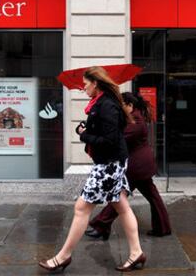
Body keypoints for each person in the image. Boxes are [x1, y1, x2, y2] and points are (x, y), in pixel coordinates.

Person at [39, 67, 146, 272]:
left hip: (109, 164)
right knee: (121, 206)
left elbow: (109, 140)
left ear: (95, 83)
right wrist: (86, 129)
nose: (84, 88)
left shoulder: (106, 105)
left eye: (86, 84)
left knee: (81, 208)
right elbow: (107, 132)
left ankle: (63, 257)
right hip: (112, 161)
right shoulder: (102, 103)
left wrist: (85, 135)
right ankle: (136, 253)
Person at [85, 92, 171, 240]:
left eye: (121, 106)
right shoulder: (131, 118)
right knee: (151, 196)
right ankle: (162, 228)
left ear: (130, 106)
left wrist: (95, 133)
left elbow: (116, 138)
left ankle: (101, 225)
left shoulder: (136, 122)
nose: (118, 109)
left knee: (119, 196)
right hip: (139, 165)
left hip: (136, 167)